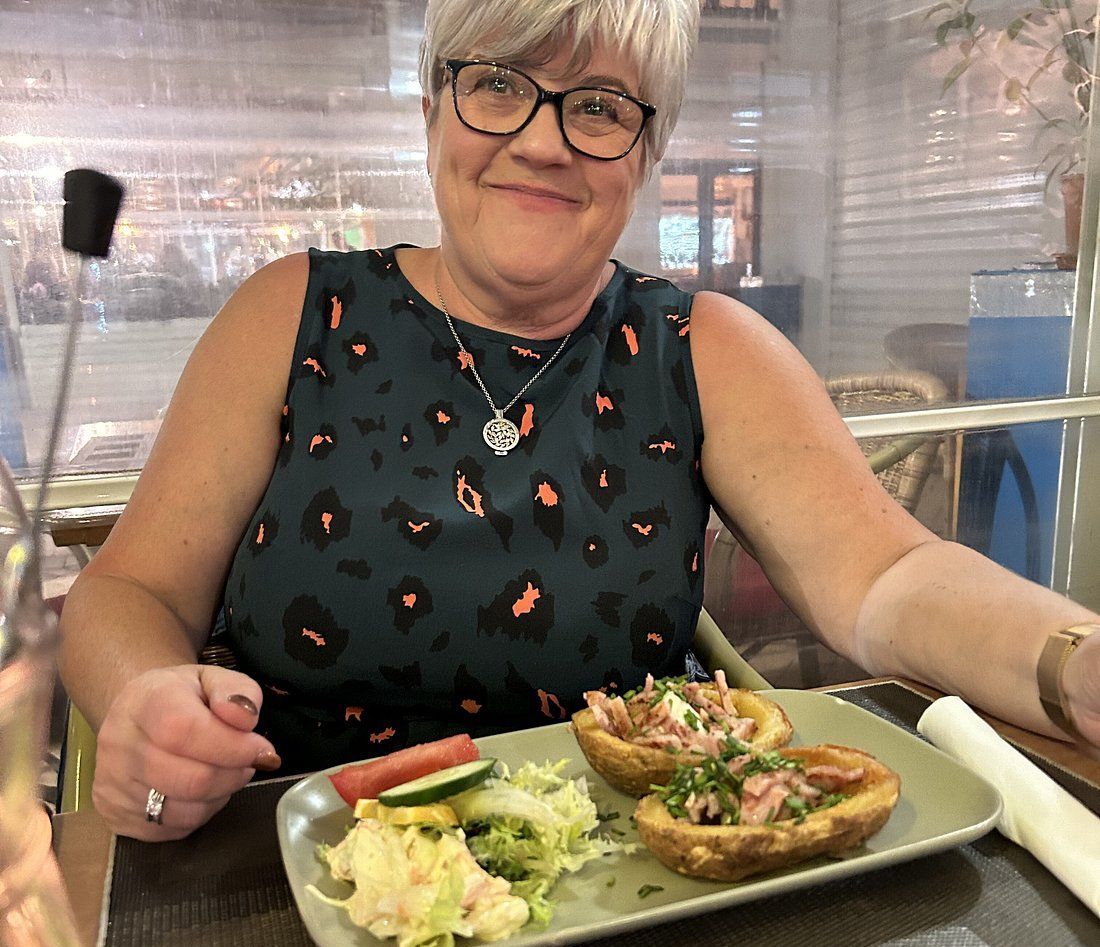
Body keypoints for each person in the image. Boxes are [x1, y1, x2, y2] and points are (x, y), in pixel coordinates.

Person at [58, 0, 1100, 842]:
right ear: (433, 110)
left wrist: (1070, 660)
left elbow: (885, 576)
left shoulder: (702, 347)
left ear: (645, 151)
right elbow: (130, 589)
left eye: (599, 106)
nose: (544, 143)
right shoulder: (288, 314)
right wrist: (148, 702)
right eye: (500, 85)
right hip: (309, 867)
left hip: (621, 881)